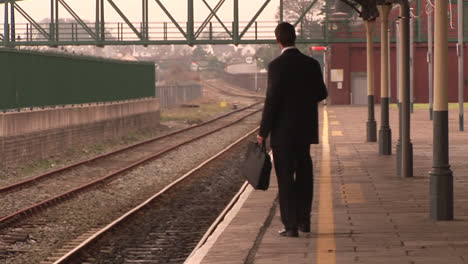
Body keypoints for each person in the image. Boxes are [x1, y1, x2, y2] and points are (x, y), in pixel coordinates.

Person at [257, 22, 328, 237]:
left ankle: (291, 226)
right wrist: (303, 103)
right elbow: (322, 93)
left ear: (278, 40)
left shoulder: (276, 66)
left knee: (286, 179)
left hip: (283, 134)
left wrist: (263, 132)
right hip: (304, 132)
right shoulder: (311, 64)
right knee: (305, 176)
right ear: (294, 38)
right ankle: (305, 222)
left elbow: (272, 101)